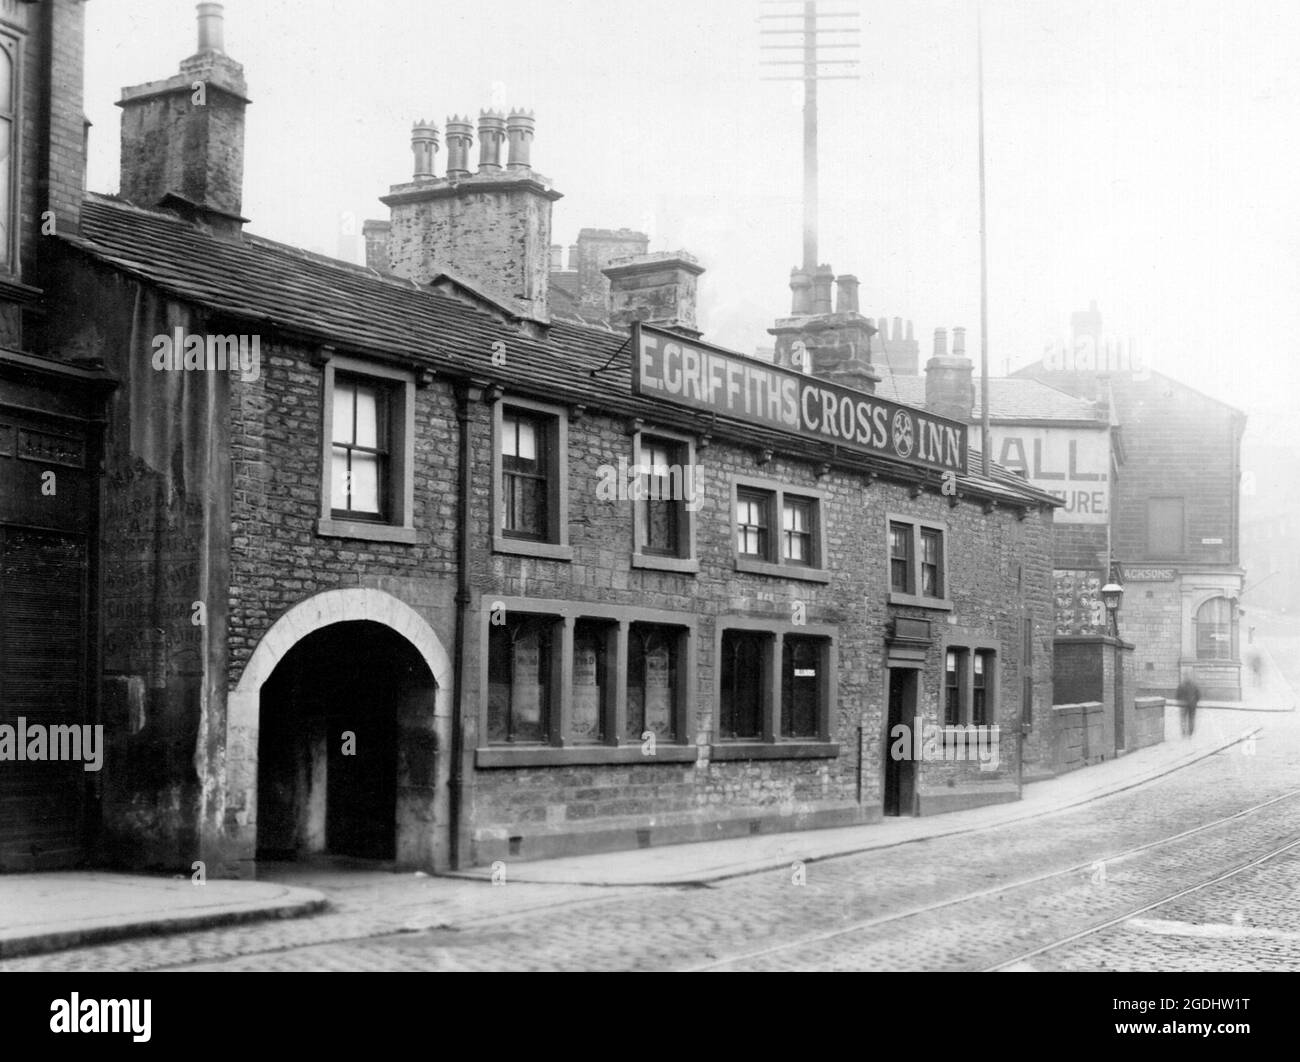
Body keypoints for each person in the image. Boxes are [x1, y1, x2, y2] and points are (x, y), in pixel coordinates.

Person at [1175, 671, 1201, 738]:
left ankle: (1184, 732)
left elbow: (1177, 695)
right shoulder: (1194, 685)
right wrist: (1195, 701)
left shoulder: (1181, 685)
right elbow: (1198, 695)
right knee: (1191, 719)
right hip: (1192, 704)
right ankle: (1190, 733)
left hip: (1183, 705)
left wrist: (1180, 701)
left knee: (1183, 719)